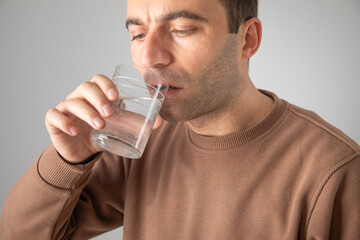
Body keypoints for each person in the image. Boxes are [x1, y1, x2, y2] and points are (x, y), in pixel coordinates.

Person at [1, 0, 359, 239]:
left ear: (247, 40)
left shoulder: (333, 168)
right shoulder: (140, 137)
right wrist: (68, 160)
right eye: (138, 33)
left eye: (183, 29)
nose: (150, 56)